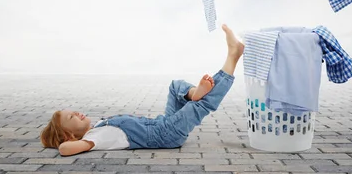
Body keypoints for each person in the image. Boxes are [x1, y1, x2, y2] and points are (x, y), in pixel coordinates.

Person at [40, 24, 245, 156]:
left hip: (163, 124)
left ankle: (194, 93)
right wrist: (63, 144)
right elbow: (65, 149)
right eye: (71, 118)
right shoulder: (92, 139)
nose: (76, 113)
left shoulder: (98, 127)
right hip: (166, 135)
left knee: (175, 87)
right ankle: (232, 57)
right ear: (69, 135)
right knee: (199, 107)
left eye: (71, 111)